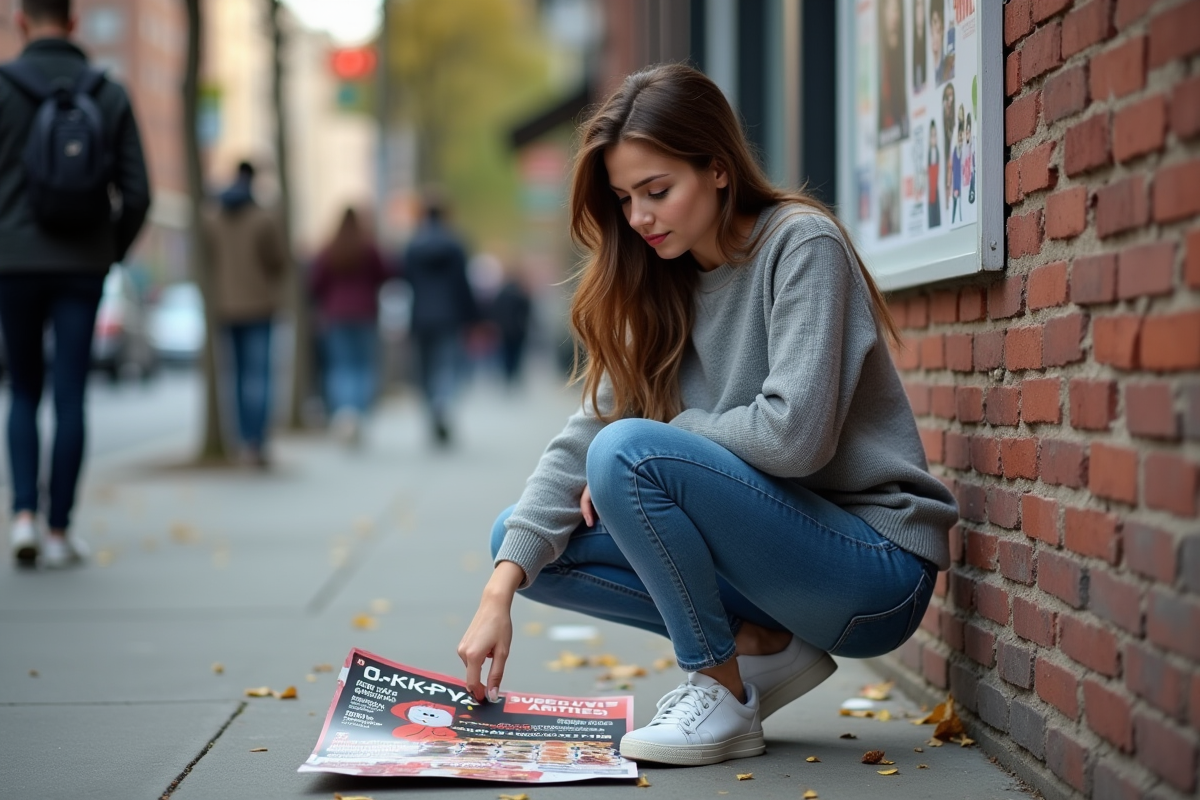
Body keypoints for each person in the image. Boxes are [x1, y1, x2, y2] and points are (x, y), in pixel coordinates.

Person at [460, 64, 958, 767]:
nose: (639, 217)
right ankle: (761, 645)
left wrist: (661, 442)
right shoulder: (662, 282)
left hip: (873, 569)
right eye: (625, 199)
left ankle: (721, 688)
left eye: (657, 191)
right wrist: (498, 592)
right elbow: (586, 434)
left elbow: (795, 438)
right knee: (522, 540)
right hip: (779, 569)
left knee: (626, 454)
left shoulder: (802, 245)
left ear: (718, 169)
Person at [0, 0, 150, 568]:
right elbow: (138, 194)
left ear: (20, 21)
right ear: (74, 21)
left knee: (23, 390)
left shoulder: (2, 88)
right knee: (69, 397)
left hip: (13, 263)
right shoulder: (108, 93)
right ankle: (60, 530)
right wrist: (108, 251)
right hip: (82, 265)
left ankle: (22, 518)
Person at [203, 162, 290, 467]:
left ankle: (242, 440)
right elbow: (278, 260)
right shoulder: (263, 218)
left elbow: (206, 260)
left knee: (237, 376)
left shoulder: (212, 217)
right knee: (259, 376)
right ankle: (257, 442)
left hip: (225, 307)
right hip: (259, 305)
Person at [401, 194, 479, 445]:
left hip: (420, 317)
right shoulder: (455, 245)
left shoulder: (412, 247)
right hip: (449, 316)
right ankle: (442, 404)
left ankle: (431, 409)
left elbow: (405, 283)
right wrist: (473, 317)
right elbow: (463, 285)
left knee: (424, 370)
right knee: (446, 366)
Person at [310, 207, 388, 446]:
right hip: (365, 313)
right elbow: (385, 274)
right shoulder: (368, 247)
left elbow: (315, 283)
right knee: (363, 366)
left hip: (336, 314)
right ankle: (358, 413)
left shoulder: (329, 249)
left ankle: (344, 412)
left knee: (340, 366)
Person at [488, 266, 533, 387]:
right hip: (518, 330)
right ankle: (513, 374)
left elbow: (495, 311)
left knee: (506, 354)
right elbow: (527, 312)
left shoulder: (502, 293)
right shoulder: (520, 293)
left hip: (505, 330)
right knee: (516, 354)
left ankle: (508, 375)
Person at [927, 121, 942, 228]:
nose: (934, 138)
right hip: (931, 190)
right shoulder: (929, 153)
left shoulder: (938, 152)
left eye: (935, 135)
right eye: (932, 136)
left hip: (936, 189)